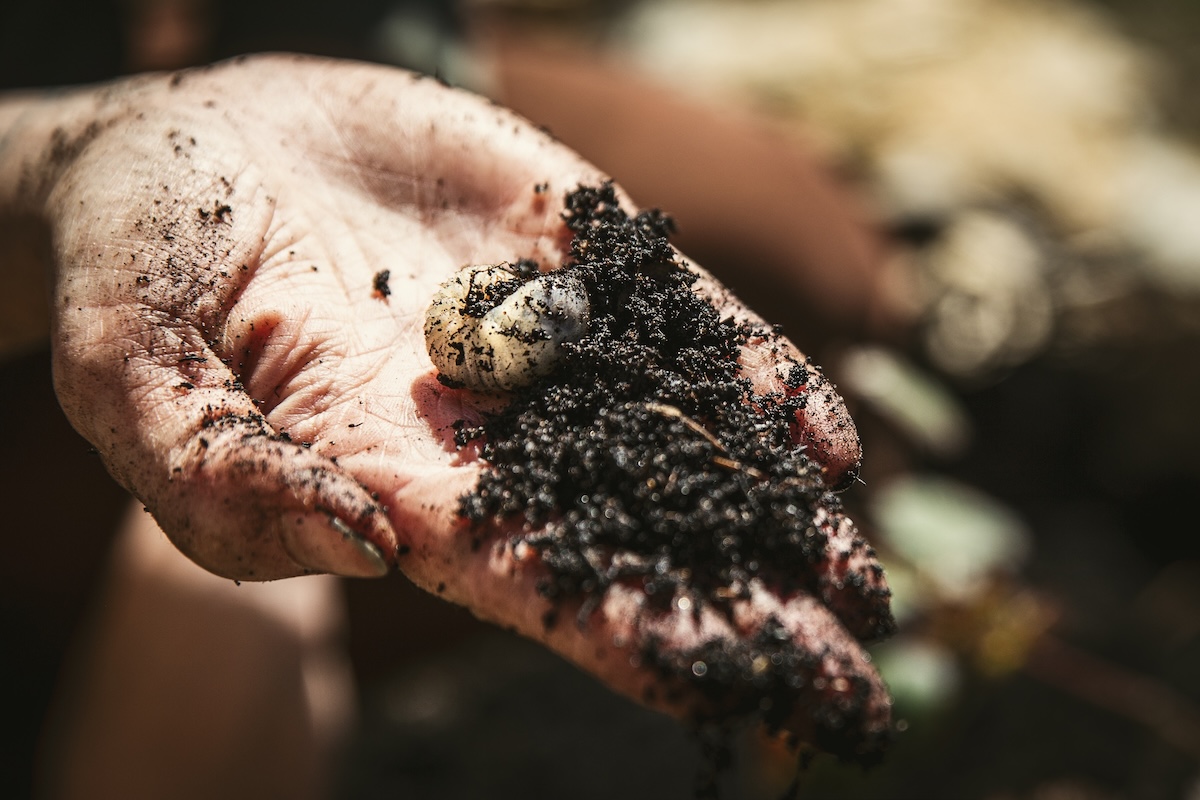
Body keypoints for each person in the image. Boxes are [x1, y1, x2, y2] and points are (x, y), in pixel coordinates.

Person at [0, 54, 882, 797]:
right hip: (53, 214)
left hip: (252, 86)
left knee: (814, 257)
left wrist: (317, 69)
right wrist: (52, 157)